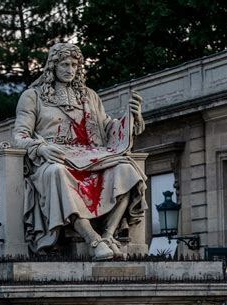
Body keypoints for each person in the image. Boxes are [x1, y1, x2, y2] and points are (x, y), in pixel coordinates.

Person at [13, 43, 147, 260]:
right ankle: (92, 239)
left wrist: (132, 118)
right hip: (54, 157)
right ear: (53, 66)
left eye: (74, 64)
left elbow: (108, 129)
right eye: (65, 64)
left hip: (92, 156)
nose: (70, 69)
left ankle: (107, 236)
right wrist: (41, 148)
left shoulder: (90, 96)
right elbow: (20, 136)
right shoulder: (33, 96)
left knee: (127, 170)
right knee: (56, 172)